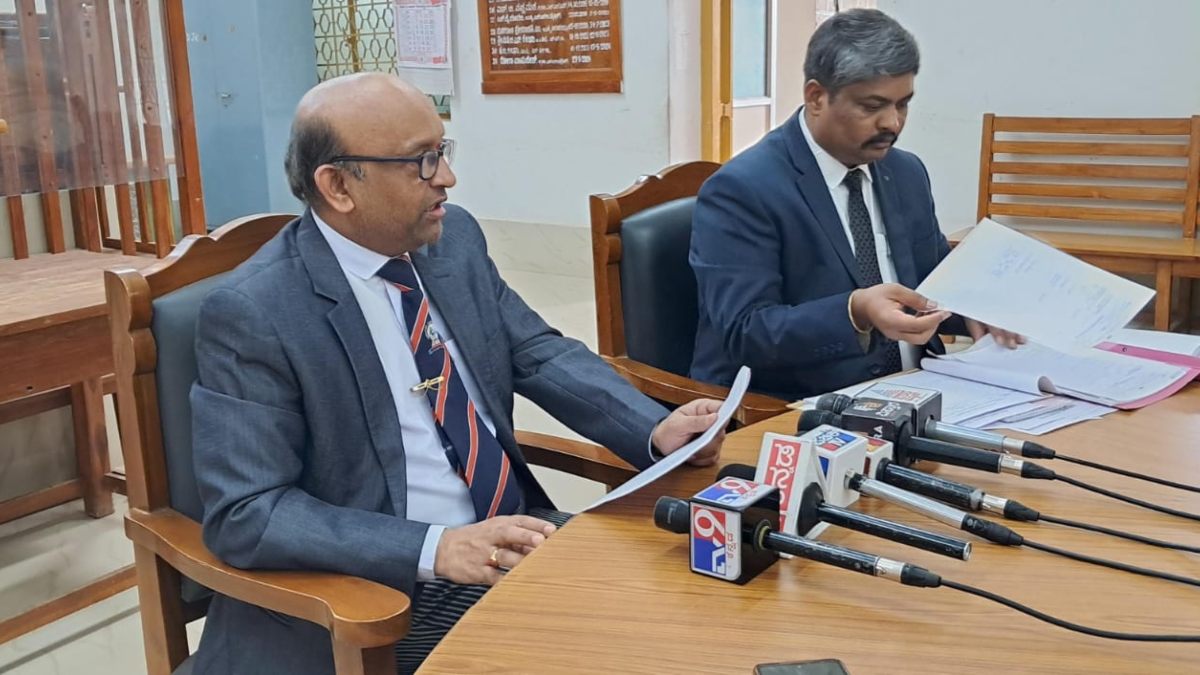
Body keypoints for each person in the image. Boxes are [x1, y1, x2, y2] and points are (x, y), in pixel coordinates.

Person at [188, 72, 725, 675]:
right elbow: (248, 512)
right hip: (381, 589)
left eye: (442, 150)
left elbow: (535, 350)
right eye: (420, 161)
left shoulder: (452, 239)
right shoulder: (256, 312)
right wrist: (436, 548)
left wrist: (653, 428)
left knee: (698, 600)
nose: (446, 177)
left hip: (511, 537)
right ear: (338, 186)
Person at [690, 8, 1021, 401]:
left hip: (925, 391)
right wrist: (856, 312)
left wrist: (972, 309)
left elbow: (931, 282)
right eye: (872, 106)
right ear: (816, 97)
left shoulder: (906, 172)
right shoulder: (742, 190)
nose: (892, 123)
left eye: (903, 104)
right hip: (800, 407)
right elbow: (745, 332)